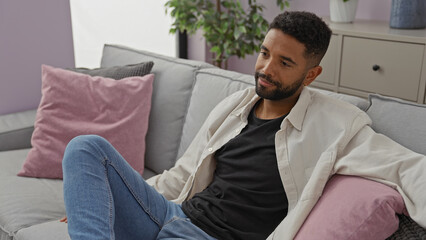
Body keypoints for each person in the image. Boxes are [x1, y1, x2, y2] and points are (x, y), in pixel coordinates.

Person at [62, 11, 426, 240]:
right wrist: (104, 195)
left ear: (311, 74)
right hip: (172, 214)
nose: (266, 69)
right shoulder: (234, 106)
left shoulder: (338, 124)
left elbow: (409, 169)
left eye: (285, 62)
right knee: (85, 147)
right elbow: (182, 175)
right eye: (265, 53)